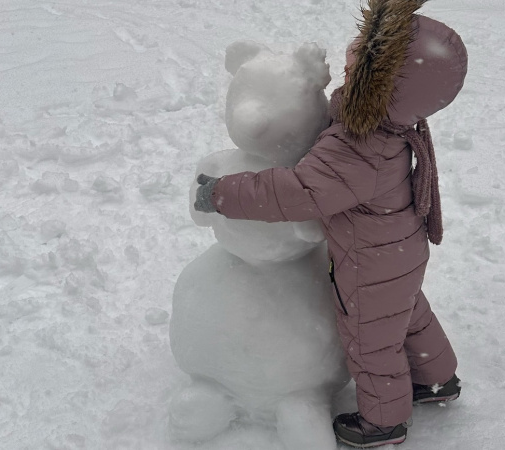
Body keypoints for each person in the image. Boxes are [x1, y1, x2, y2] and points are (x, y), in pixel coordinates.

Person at [194, 0, 468, 447]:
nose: (354, 44)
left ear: (382, 83)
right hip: (399, 249)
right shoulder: (390, 123)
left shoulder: (357, 146)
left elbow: (298, 191)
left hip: (369, 262)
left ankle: (384, 422)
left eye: (367, 51)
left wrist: (222, 192)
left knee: (372, 341)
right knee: (408, 314)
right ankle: (438, 378)